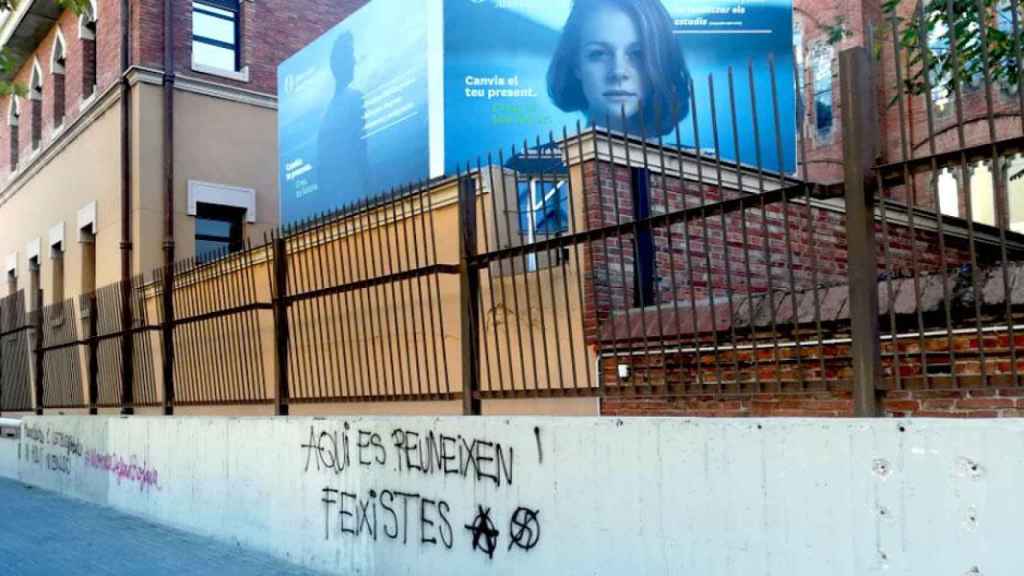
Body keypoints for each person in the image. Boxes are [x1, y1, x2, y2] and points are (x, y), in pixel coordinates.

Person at [547, 0, 690, 137]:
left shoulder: (697, 162)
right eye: (599, 53)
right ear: (576, 64)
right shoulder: (535, 161)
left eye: (637, 54)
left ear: (662, 62)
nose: (618, 72)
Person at [318, 32, 369, 203]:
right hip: (352, 198)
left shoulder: (327, 111)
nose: (354, 61)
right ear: (336, 64)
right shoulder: (354, 98)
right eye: (349, 54)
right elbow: (361, 154)